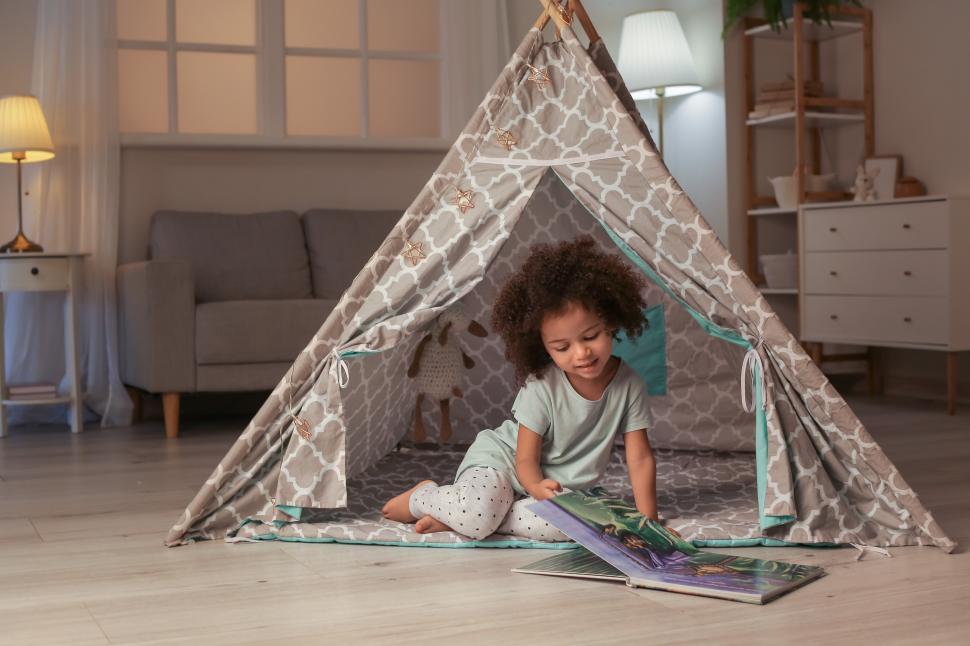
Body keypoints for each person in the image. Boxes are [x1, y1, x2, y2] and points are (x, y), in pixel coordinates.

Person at [381, 235, 658, 541]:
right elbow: (524, 459)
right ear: (543, 347)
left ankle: (466, 517)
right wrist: (536, 486)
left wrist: (650, 524)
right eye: (562, 347)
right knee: (481, 512)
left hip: (553, 490)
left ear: (611, 322)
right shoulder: (543, 385)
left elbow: (640, 458)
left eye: (591, 336)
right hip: (503, 465)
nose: (581, 353)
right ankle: (423, 498)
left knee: (574, 528)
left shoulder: (629, 384)